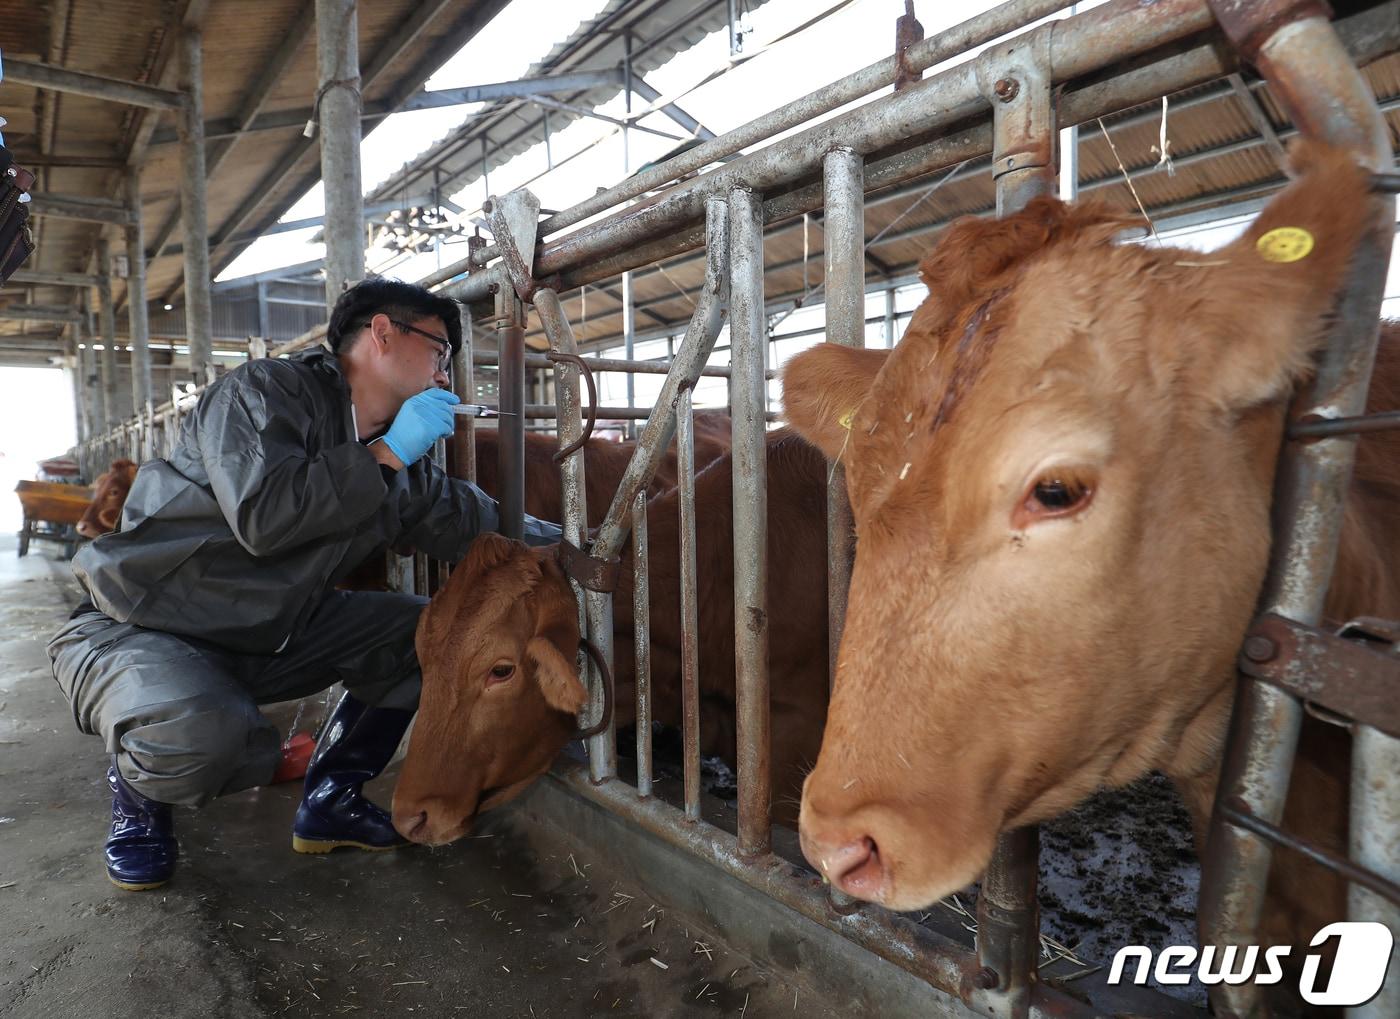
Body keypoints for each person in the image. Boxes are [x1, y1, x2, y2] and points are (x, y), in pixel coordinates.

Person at [48, 277, 560, 891]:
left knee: (433, 636)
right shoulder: (261, 394)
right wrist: (390, 453)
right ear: (381, 333)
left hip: (275, 633)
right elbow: (266, 517)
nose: (445, 376)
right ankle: (138, 798)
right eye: (440, 352)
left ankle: (331, 798)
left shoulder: (388, 452)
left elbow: (458, 514)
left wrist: (572, 540)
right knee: (204, 739)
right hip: (148, 629)